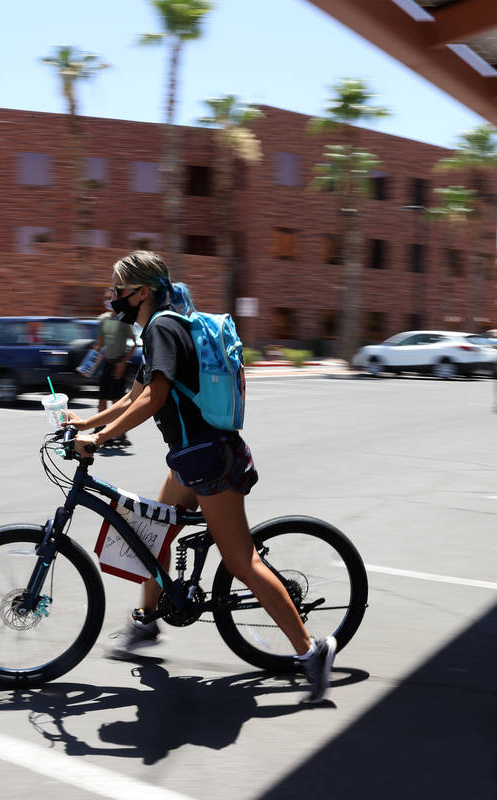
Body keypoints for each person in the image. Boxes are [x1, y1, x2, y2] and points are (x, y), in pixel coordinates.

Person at [63, 250, 337, 702]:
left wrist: (103, 439)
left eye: (118, 288)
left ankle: (310, 651)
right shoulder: (161, 327)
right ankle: (147, 624)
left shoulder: (162, 327)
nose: (113, 296)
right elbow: (135, 394)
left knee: (241, 560)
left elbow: (155, 397)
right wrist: (86, 425)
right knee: (153, 532)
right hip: (190, 459)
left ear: (141, 292)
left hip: (209, 459)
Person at [92, 289, 138, 447]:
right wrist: (88, 364)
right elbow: (100, 344)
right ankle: (100, 428)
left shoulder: (124, 318)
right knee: (102, 399)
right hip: (107, 362)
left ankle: (120, 431)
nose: (108, 301)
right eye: (106, 298)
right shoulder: (103, 319)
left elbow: (134, 343)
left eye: (111, 298)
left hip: (119, 364)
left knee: (116, 400)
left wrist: (123, 362)